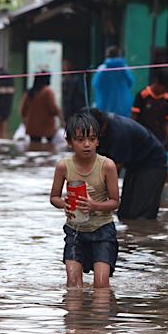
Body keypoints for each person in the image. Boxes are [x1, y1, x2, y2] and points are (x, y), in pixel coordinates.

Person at [49, 111, 120, 288]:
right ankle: (77, 316)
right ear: (70, 142)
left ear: (98, 141)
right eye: (80, 140)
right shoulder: (64, 166)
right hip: (75, 231)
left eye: (91, 139)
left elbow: (115, 202)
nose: (87, 145)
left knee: (101, 284)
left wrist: (93, 205)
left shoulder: (107, 166)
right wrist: (65, 204)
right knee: (73, 284)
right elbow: (54, 198)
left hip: (103, 231)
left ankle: (96, 315)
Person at [85, 108, 167, 221]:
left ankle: (144, 234)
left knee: (141, 215)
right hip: (134, 164)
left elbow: (113, 172)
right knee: (125, 213)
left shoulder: (118, 133)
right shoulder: (101, 131)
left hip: (152, 163)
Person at [132, 67, 168, 183]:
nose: (165, 91)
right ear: (157, 82)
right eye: (164, 88)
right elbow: (134, 121)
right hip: (144, 142)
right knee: (144, 176)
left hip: (162, 143)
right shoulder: (142, 96)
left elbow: (167, 124)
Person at [91, 46, 134, 117]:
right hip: (123, 107)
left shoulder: (102, 69)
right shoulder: (125, 69)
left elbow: (95, 85)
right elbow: (131, 83)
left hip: (104, 107)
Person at [20, 71, 62, 143]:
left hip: (32, 129)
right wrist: (61, 116)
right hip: (48, 128)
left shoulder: (29, 93)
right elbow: (53, 109)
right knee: (49, 150)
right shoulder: (47, 91)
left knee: (34, 150)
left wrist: (25, 123)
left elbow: (23, 111)